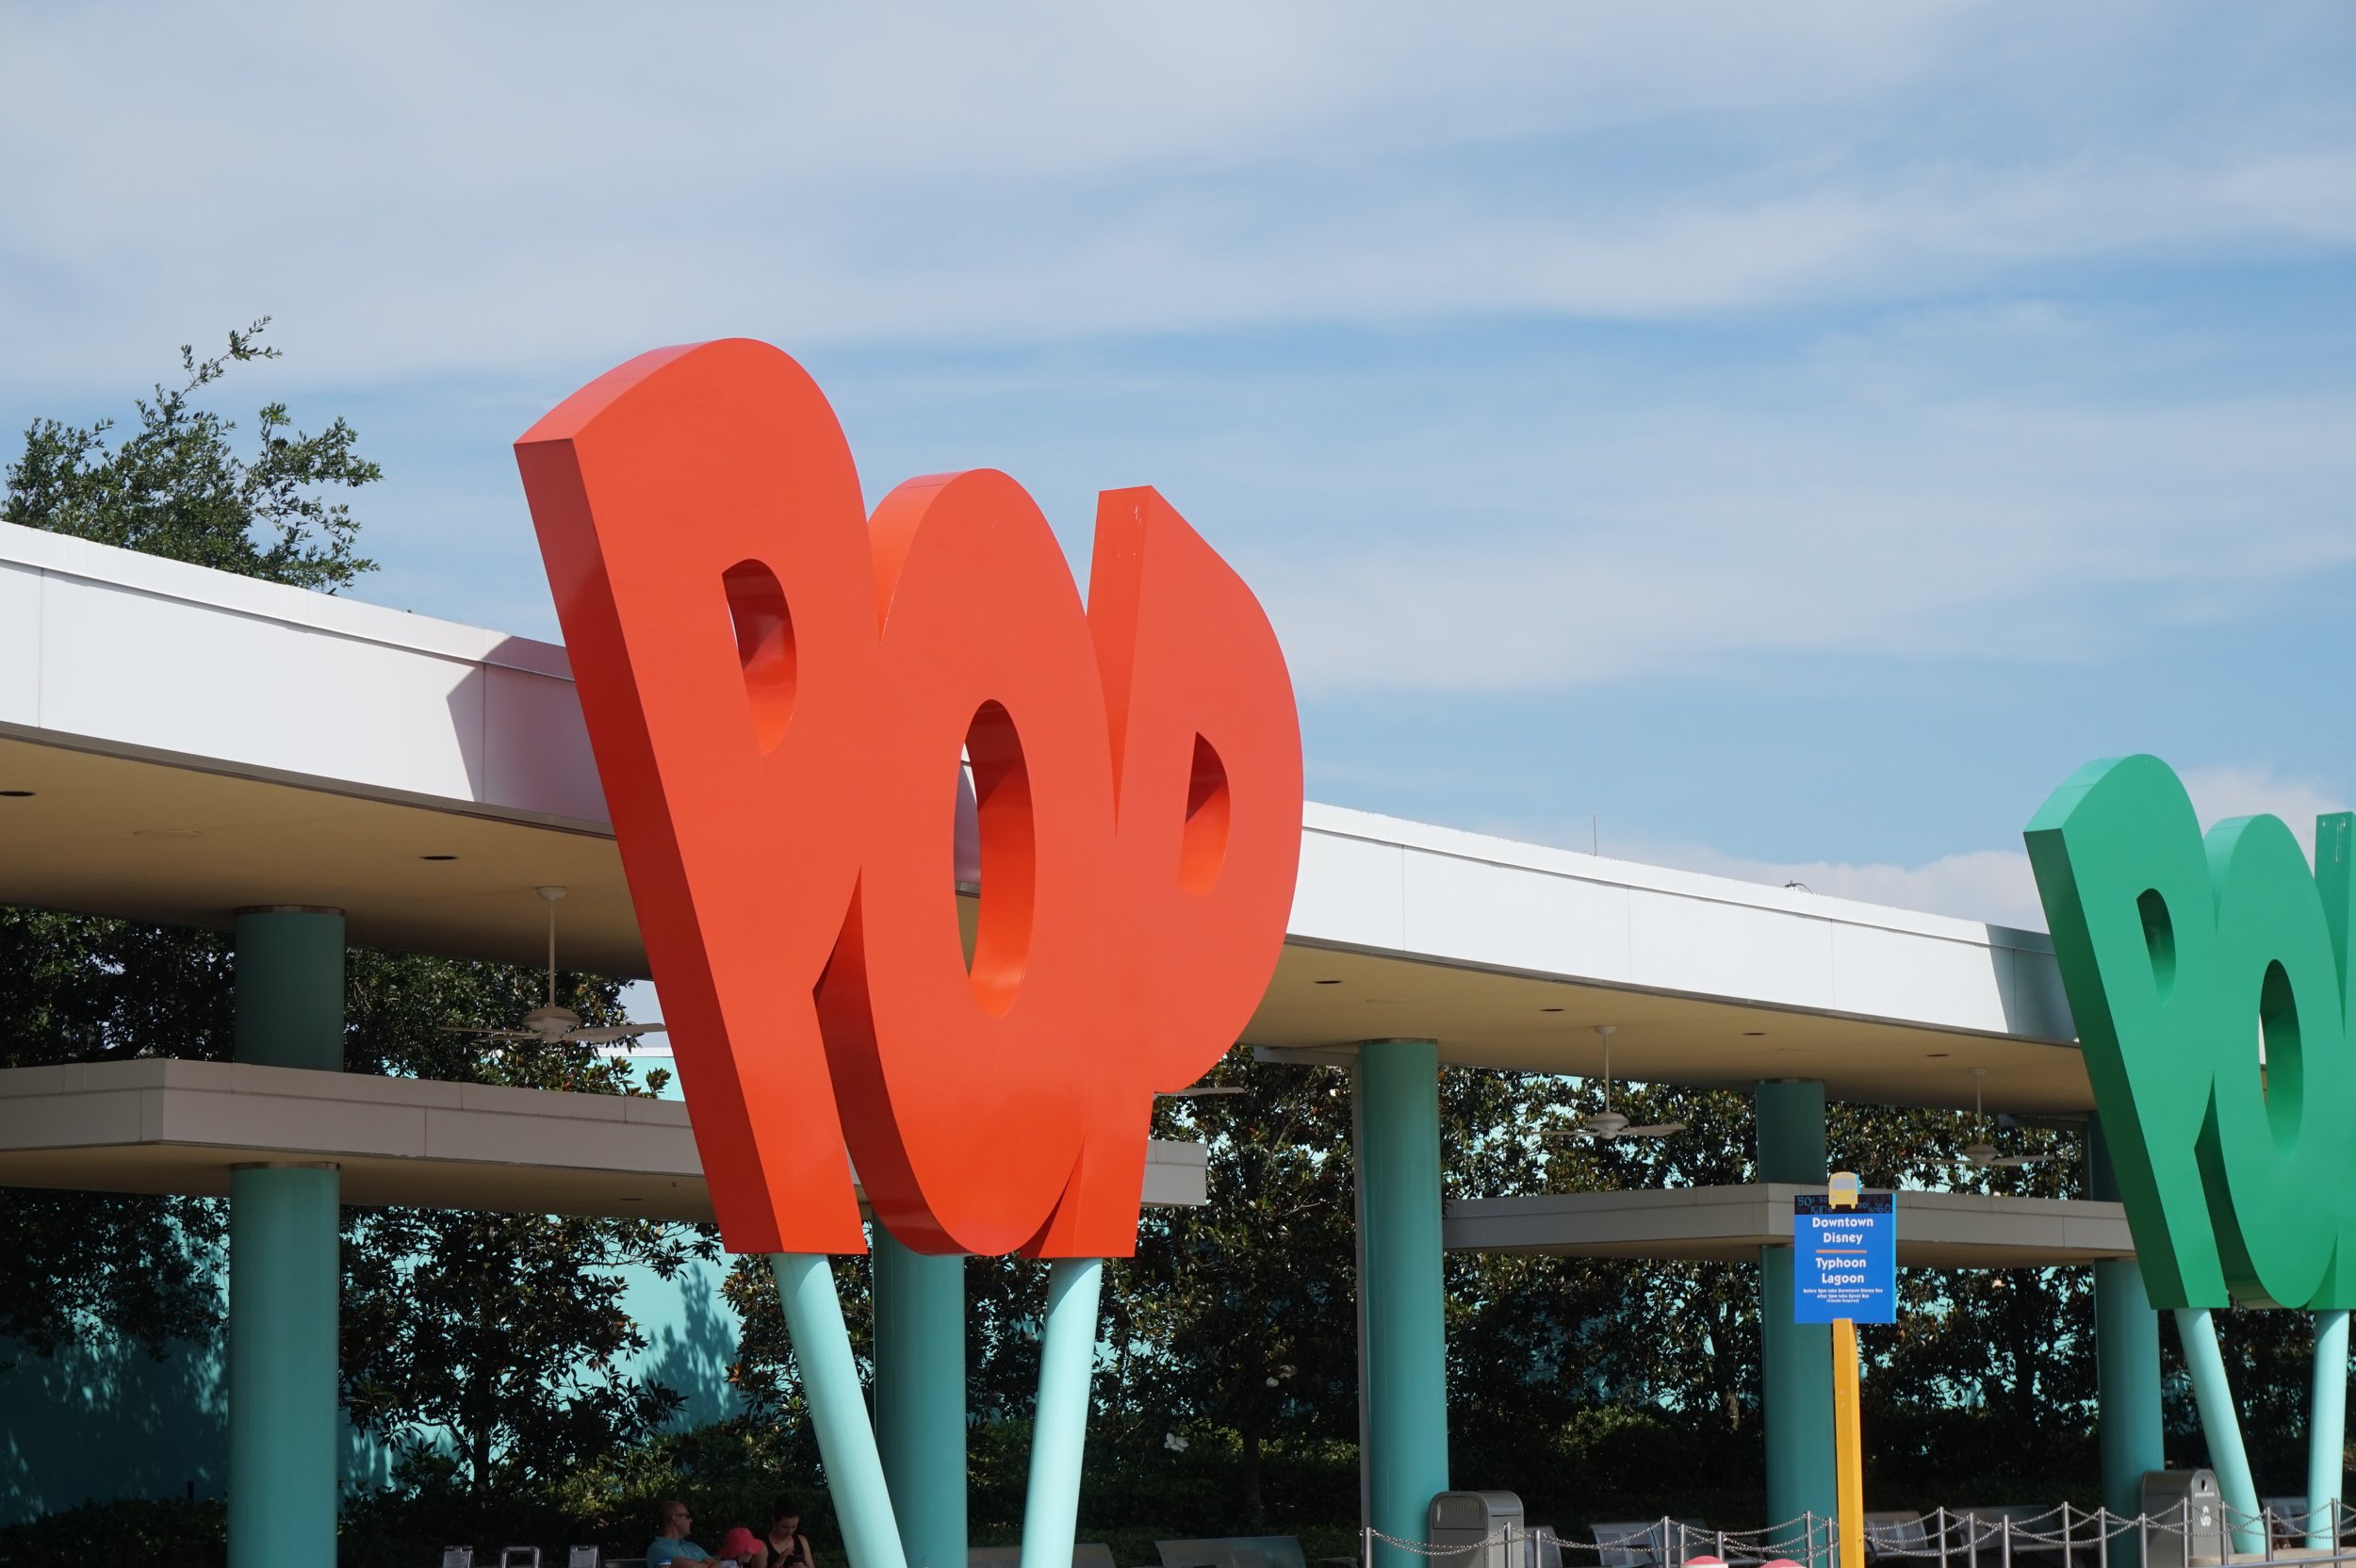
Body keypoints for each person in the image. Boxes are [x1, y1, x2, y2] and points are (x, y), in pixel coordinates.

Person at [648, 1500, 722, 1568]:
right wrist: (707, 1564)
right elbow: (686, 1566)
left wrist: (702, 1565)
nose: (691, 1520)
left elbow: (717, 1564)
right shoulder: (657, 1549)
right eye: (687, 1516)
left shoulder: (692, 1546)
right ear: (676, 1519)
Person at [761, 1496, 817, 1568]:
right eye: (785, 1527)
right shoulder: (763, 1546)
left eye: (794, 1527)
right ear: (774, 1521)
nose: (789, 1532)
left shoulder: (801, 1540)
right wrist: (778, 1563)